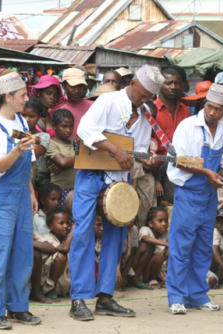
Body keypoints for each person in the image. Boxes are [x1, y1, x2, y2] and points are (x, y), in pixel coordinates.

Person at [68, 65, 164, 321]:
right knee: (83, 232)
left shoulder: (145, 118)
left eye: (148, 97)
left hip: (120, 178)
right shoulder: (108, 101)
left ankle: (105, 297)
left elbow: (136, 152)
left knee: (116, 235)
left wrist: (147, 160)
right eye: (141, 94)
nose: (143, 100)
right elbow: (85, 131)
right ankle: (78, 298)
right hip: (91, 173)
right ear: (132, 83)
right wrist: (113, 149)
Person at [166, 83, 223, 314]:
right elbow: (179, 160)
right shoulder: (188, 126)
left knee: (203, 245)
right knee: (182, 245)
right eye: (209, 107)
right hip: (188, 190)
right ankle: (176, 296)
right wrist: (207, 172)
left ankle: (197, 294)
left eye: (217, 109)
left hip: (209, 194)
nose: (211, 112)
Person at [0, 71, 41, 328]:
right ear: (7, 96)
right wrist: (17, 149)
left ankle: (18, 307)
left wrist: (30, 192)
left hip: (20, 196)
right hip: (0, 195)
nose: (26, 100)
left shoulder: (21, 122)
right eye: (22, 95)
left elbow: (27, 165)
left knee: (22, 253)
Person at [153, 65, 191, 204]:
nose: (173, 87)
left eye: (177, 83)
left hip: (181, 168)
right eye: (168, 83)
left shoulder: (185, 111)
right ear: (160, 85)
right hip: (155, 168)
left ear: (183, 85)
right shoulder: (151, 110)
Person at [36, 207, 72, 299]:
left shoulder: (67, 240)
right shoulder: (47, 239)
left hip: (63, 282)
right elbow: (62, 249)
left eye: (68, 223)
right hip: (47, 282)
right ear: (50, 226)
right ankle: (49, 290)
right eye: (61, 223)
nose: (66, 226)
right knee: (61, 257)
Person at [132, 207, 169, 289]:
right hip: (141, 269)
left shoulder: (166, 234)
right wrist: (166, 244)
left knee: (162, 254)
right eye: (160, 221)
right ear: (151, 223)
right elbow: (145, 238)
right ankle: (136, 277)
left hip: (155, 269)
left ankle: (153, 278)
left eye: (166, 221)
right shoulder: (145, 229)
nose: (164, 224)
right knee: (146, 245)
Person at [45, 109, 76, 204]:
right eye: (64, 126)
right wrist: (81, 158)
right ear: (54, 126)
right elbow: (63, 162)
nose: (68, 130)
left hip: (76, 189)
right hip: (60, 191)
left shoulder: (74, 142)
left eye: (71, 126)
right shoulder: (51, 143)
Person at [52, 68, 93, 138]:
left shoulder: (94, 107)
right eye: (72, 87)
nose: (76, 91)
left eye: (80, 86)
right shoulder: (57, 110)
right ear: (63, 86)